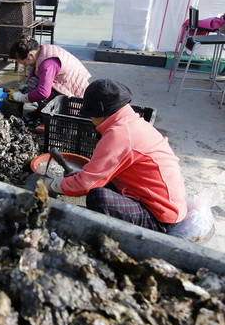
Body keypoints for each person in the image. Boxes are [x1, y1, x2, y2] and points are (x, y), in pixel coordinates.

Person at [43, 79, 187, 234]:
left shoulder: (120, 135)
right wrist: (79, 177)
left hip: (161, 217)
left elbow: (85, 185)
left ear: (100, 113)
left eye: (90, 115)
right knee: (100, 181)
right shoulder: (130, 122)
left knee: (98, 197)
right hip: (156, 199)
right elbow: (97, 175)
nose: (90, 120)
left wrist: (52, 184)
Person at [7, 36, 91, 133]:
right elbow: (35, 70)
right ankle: (41, 111)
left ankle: (52, 121)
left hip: (76, 98)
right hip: (64, 87)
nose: (23, 64)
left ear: (30, 55)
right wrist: (25, 87)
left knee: (35, 86)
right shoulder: (41, 52)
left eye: (21, 62)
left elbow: (43, 93)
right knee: (32, 83)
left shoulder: (48, 63)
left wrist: (22, 97)